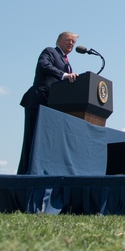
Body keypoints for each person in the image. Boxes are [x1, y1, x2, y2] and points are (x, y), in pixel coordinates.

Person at [17, 31, 80, 175]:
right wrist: (63, 75)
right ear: (58, 41)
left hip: (53, 106)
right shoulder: (50, 52)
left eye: (73, 42)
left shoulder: (67, 63)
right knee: (32, 138)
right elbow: (43, 65)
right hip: (38, 101)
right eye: (68, 40)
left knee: (45, 142)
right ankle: (26, 173)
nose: (71, 43)